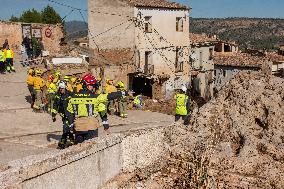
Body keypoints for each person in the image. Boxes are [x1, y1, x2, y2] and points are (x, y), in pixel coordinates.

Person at [65, 74, 130, 143]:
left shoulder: (73, 97)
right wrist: (125, 92)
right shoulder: (96, 97)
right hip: (91, 127)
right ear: (88, 85)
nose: (94, 88)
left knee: (79, 149)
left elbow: (69, 114)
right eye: (93, 86)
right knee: (91, 149)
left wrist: (71, 126)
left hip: (78, 127)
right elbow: (110, 96)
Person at [52, 81, 75, 149]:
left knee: (66, 127)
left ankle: (63, 140)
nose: (61, 90)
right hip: (63, 115)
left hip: (70, 115)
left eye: (62, 88)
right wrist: (53, 115)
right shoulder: (57, 95)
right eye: (60, 88)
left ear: (65, 88)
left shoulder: (70, 94)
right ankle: (71, 140)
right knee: (68, 127)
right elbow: (55, 105)